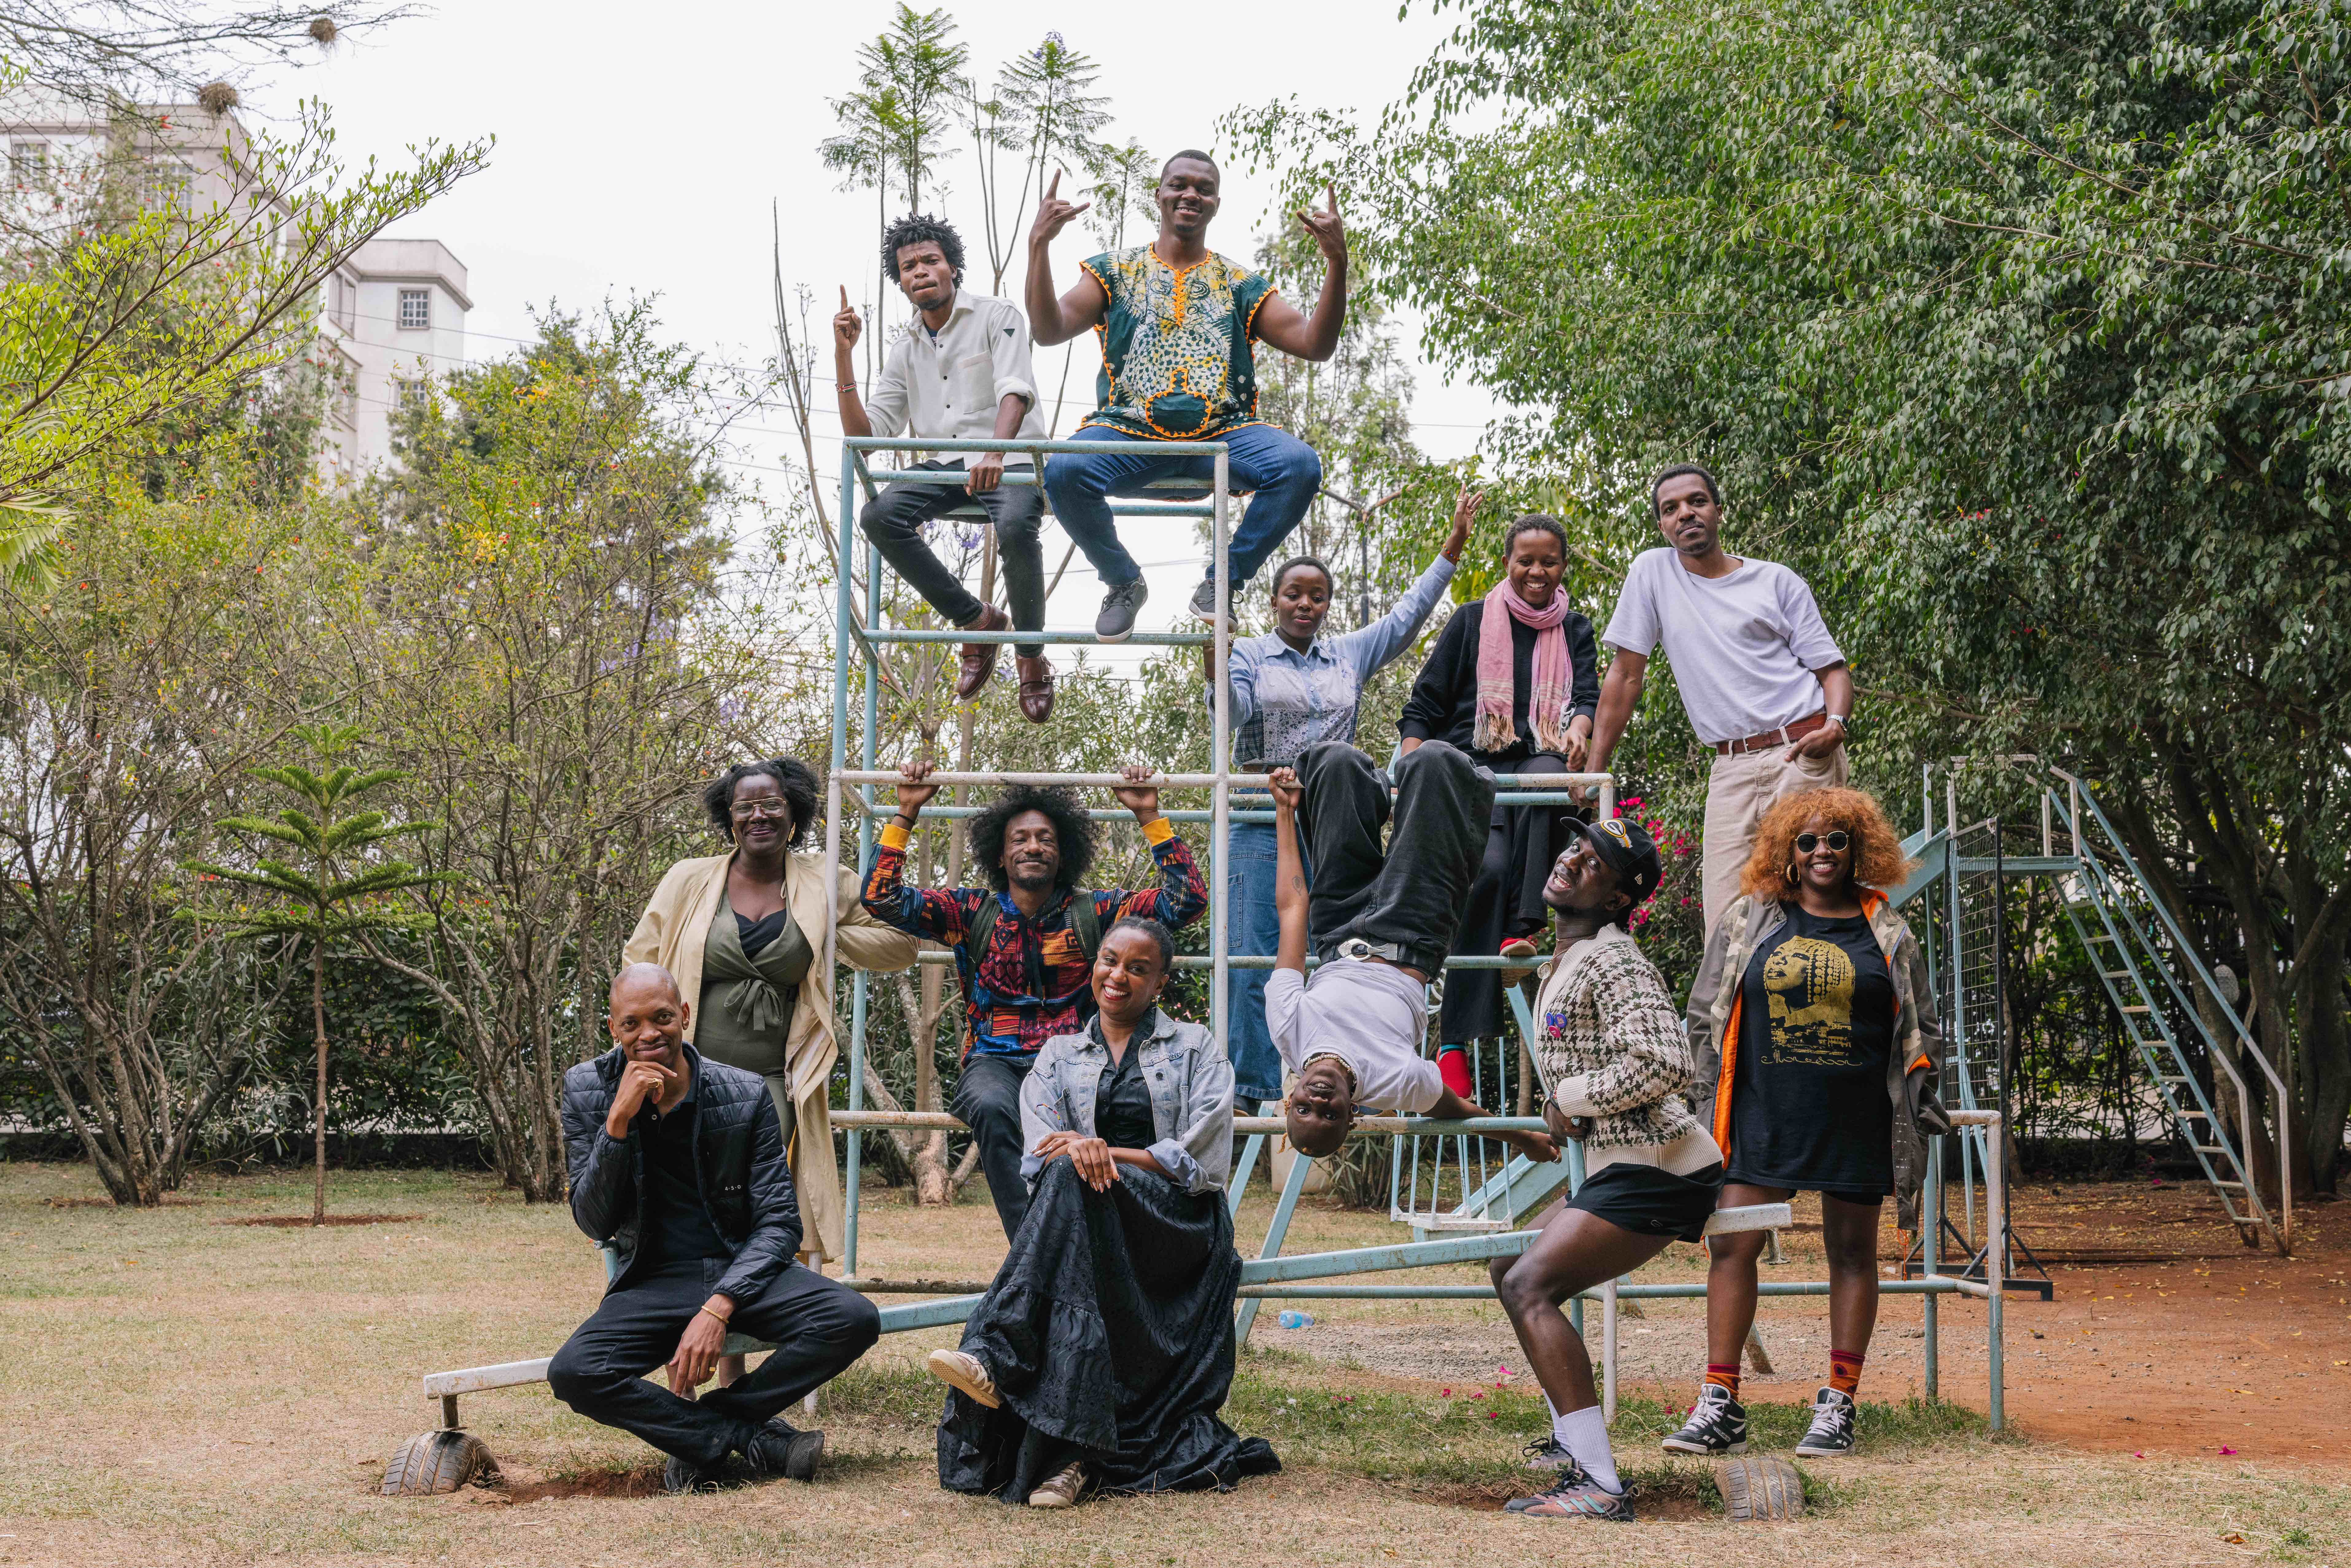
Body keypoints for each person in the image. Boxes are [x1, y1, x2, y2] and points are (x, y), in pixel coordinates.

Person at [926, 916, 1280, 1508]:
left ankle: (996, 1353)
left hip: (1176, 1226)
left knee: (1075, 1172)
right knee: (1067, 1178)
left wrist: (1103, 1151)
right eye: (1110, 961)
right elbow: (1040, 1153)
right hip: (1092, 1225)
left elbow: (1204, 1162)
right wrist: (1078, 1155)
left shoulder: (1196, 1048)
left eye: (1138, 969)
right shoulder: (1059, 1055)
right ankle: (1069, 1462)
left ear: (1161, 983)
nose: (1119, 976)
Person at [1664, 786, 1948, 1461]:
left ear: (1859, 848)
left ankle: (1838, 1403)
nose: (1822, 852)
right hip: (1761, 1114)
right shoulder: (1749, 920)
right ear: (1787, 851)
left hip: (1856, 1118)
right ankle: (1718, 1400)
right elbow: (1703, 1014)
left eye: (1837, 840)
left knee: (1850, 1254)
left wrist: (1920, 1091)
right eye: (1808, 841)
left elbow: (1921, 1025)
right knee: (1732, 1246)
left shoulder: (1887, 929)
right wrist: (1697, 1102)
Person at [549, 964, 881, 1495]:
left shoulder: (744, 1092)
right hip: (652, 1278)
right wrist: (616, 1123)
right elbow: (593, 1221)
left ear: (683, 1015)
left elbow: (779, 1224)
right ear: (613, 1029)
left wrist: (719, 1305)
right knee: (575, 1373)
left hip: (740, 1268)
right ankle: (746, 1438)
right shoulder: (587, 1088)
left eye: (661, 1018)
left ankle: (706, 1430)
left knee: (853, 1318)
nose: (648, 1034)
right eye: (631, 1024)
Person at [1203, 488, 1475, 1114]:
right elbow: (1235, 712)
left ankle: (1340, 1066)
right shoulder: (1249, 653)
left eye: (1316, 595)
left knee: (1326, 946)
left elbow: (1406, 619)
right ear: (1274, 601)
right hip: (1259, 807)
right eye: (1293, 594)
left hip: (1329, 813)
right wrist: (1217, 664)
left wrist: (1452, 546)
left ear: (1326, 604)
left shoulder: (1348, 652)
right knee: (1252, 952)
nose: (1305, 604)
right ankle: (1248, 1095)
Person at [860, 759, 1209, 1240]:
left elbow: (1187, 901)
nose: (1033, 846)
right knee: (988, 1105)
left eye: (1045, 839)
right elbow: (881, 899)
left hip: (1078, 1059)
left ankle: (1119, 1244)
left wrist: (1150, 817)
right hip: (995, 1060)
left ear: (1062, 855)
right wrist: (904, 815)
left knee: (1114, 1116)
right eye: (1019, 839)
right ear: (1000, 857)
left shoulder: (1097, 912)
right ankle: (1035, 1252)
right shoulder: (969, 912)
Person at [1486, 817, 1717, 1522]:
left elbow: (1664, 1062)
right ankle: (1570, 1439)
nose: (1573, 858)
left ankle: (1599, 1483)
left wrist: (1568, 1097)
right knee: (1509, 1268)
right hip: (1621, 1164)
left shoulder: (1615, 959)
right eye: (1575, 847)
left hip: (1662, 1165)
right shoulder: (1572, 956)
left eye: (1595, 861)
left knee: (1530, 1283)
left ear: (1618, 897)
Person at [1026, 151, 1347, 641]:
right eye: (1179, 184)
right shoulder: (1112, 271)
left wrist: (1336, 264)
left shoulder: (1240, 284)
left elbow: (1315, 345)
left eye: (1203, 188)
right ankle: (1122, 581)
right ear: (1159, 195)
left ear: (1216, 202)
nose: (1190, 194)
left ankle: (1223, 582)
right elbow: (1048, 331)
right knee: (1063, 470)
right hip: (1128, 434)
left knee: (1300, 465)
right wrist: (1038, 247)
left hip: (1223, 436)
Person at [624, 758, 918, 1274]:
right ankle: (683, 1303)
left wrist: (824, 930)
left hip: (774, 1080)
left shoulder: (825, 881)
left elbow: (901, 946)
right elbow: (639, 961)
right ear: (729, 817)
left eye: (772, 805)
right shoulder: (689, 879)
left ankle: (742, 1312)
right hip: (687, 1067)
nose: (758, 816)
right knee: (683, 1188)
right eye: (745, 807)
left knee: (748, 1191)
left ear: (795, 814)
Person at [1585, 463, 1854, 937]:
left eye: (1696, 502)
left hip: (1802, 752)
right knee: (1727, 923)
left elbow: (1832, 671)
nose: (1685, 514)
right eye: (1671, 509)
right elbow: (1625, 676)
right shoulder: (1652, 573)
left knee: (1807, 908)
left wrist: (1835, 726)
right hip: (1729, 767)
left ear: (1718, 512)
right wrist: (1593, 769)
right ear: (1662, 525)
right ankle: (1736, 1014)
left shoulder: (1776, 582)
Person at [1263, 741, 1557, 1166]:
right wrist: (1520, 1137)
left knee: (1334, 764)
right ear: (1352, 1117)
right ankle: (1409, 784)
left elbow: (1291, 908)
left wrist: (1285, 812)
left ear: (1290, 1100)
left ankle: (1370, 791)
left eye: (1306, 1109)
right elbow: (1458, 1110)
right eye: (1330, 1114)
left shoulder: (1288, 1030)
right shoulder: (1397, 1085)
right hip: (1412, 932)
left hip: (1336, 927)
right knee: (1433, 761)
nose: (1320, 1100)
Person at [1397, 511, 1600, 1085]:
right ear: (1507, 563)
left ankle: (1523, 924)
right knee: (1482, 875)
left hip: (1535, 761)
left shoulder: (1574, 629)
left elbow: (1586, 698)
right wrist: (1411, 772)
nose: (1537, 571)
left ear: (1563, 566)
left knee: (1545, 772)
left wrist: (1581, 728)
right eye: (1525, 560)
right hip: (1469, 772)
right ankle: (1454, 1044)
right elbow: (1423, 707)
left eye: (1549, 561)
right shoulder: (1469, 623)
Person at [835, 214, 1056, 721]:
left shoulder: (997, 315)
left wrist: (996, 454)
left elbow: (1014, 388)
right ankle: (977, 621)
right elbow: (867, 439)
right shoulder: (905, 347)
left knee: (1017, 527)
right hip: (944, 466)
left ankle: (1029, 657)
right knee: (878, 516)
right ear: (901, 281)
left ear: (953, 268)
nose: (920, 271)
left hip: (1012, 456)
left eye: (930, 261)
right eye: (909, 266)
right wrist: (843, 357)